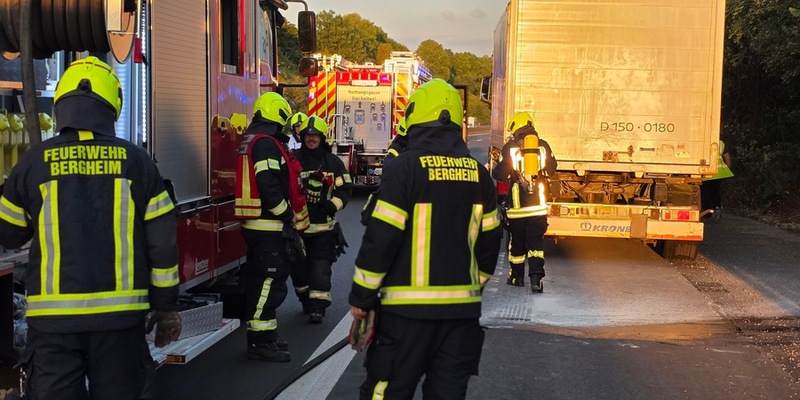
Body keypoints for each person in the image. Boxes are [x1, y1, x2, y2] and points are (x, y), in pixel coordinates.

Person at [0, 56, 181, 399]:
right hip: (120, 322)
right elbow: (163, 247)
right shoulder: (137, 162)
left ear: (61, 105)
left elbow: (9, 232)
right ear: (112, 106)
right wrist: (166, 306)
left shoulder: (33, 163)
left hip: (53, 326)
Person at [349, 78, 502, 399]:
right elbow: (490, 246)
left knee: (385, 392)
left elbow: (381, 239)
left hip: (405, 318)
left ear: (416, 120)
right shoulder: (479, 175)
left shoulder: (403, 168)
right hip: (461, 318)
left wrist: (362, 298)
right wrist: (471, 286)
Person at [235, 91, 300, 362]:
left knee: (262, 281)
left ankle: (265, 338)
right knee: (269, 284)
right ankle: (260, 342)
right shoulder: (266, 144)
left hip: (260, 224)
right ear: (279, 114)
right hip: (268, 225)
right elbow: (269, 185)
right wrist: (287, 215)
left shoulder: (255, 139)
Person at [292, 116, 352, 323]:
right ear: (302, 137)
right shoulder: (293, 159)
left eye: (315, 136)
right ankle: (305, 300)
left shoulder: (332, 162)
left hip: (323, 229)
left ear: (322, 138)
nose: (311, 139)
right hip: (297, 228)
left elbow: (345, 189)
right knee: (299, 272)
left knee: (320, 269)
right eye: (308, 135)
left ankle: (318, 307)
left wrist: (331, 205)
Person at [491, 112, 557, 293]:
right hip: (538, 207)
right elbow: (551, 170)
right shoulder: (543, 146)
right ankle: (536, 279)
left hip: (518, 209)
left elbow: (500, 175)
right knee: (536, 244)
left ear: (515, 127)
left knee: (517, 243)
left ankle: (516, 277)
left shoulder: (510, 147)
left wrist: (498, 166)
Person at [701, 140, 733, 221]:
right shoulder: (721, 144)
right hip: (718, 173)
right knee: (715, 192)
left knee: (705, 193)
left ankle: (707, 213)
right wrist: (727, 171)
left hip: (706, 173)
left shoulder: (704, 141)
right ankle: (717, 208)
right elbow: (727, 158)